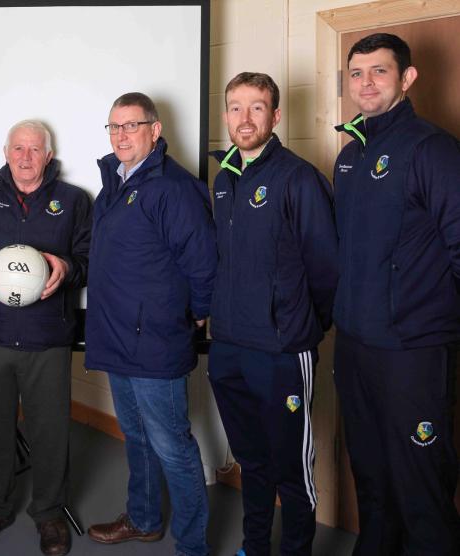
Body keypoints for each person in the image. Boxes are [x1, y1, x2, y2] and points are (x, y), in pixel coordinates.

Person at [333, 32, 460, 555]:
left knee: (420, 485)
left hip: (413, 350)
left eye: (379, 71)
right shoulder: (348, 157)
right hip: (355, 345)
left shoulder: (432, 150)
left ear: (407, 78)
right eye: (356, 73)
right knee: (371, 477)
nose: (366, 83)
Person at [208, 73, 338, 556]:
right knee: (252, 460)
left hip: (281, 350)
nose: (245, 118)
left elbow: (326, 268)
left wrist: (301, 326)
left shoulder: (298, 178)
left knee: (290, 466)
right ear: (226, 115)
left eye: (257, 107)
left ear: (276, 115)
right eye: (235, 107)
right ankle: (255, 546)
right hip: (228, 347)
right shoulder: (223, 181)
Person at [0, 120, 91, 556]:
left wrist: (67, 268)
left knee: (50, 433)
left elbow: (90, 258)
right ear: (6, 153)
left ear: (48, 156)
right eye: (18, 149)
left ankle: (49, 514)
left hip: (47, 338)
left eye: (34, 149)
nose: (25, 157)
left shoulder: (73, 201)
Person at [85, 92, 216, 556]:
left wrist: (194, 313)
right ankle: (143, 519)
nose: (121, 135)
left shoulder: (173, 188)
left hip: (155, 341)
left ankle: (193, 546)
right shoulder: (115, 182)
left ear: (155, 130)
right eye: (114, 126)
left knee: (173, 447)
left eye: (131, 125)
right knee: (137, 437)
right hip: (117, 337)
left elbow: (203, 264)